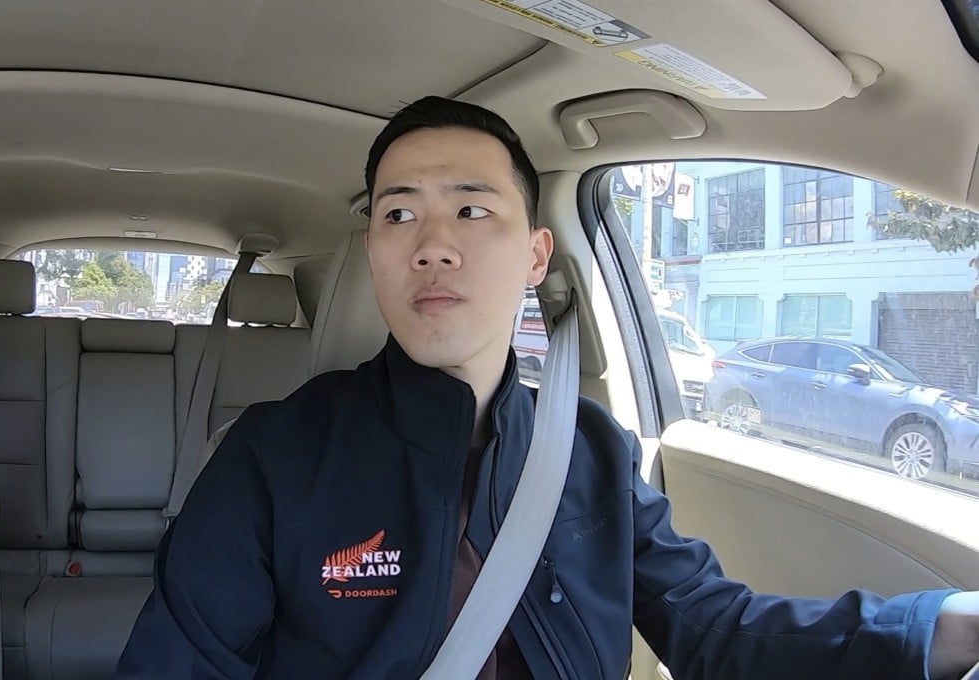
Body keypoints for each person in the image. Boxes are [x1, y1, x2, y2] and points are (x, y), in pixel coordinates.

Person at [116, 96, 979, 679]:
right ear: (374, 251)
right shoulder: (273, 456)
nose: (433, 243)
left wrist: (940, 630)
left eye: (472, 208)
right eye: (398, 212)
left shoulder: (594, 454)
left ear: (536, 255)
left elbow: (715, 628)